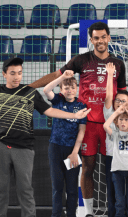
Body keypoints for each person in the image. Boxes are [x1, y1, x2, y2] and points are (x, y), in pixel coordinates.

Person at [28, 21, 127, 217]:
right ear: (91, 40)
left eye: (103, 37)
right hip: (87, 124)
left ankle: (114, 211)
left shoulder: (118, 64)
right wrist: (29, 87)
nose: (100, 41)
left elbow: (123, 93)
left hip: (110, 125)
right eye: (96, 38)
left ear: (108, 37)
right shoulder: (81, 60)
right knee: (88, 168)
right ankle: (89, 212)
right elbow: (57, 75)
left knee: (111, 171)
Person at [0, 57, 90, 217]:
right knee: (0, 190)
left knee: (26, 190)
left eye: (19, 73)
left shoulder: (30, 93)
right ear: (4, 74)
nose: (16, 77)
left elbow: (49, 111)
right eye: (12, 73)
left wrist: (74, 115)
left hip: (24, 149)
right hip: (0, 147)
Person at [43, 70, 88, 217]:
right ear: (62, 90)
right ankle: (56, 214)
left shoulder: (81, 106)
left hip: (72, 151)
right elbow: (45, 90)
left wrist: (75, 152)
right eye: (66, 88)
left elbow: (81, 131)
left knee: (72, 188)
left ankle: (71, 215)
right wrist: (62, 77)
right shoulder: (58, 101)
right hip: (55, 148)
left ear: (77, 89)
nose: (70, 90)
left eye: (73, 87)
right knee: (57, 186)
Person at [103, 62, 128, 217]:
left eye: (124, 100)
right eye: (118, 100)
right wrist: (110, 75)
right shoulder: (109, 114)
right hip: (113, 158)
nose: (121, 103)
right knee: (113, 192)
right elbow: (108, 96)